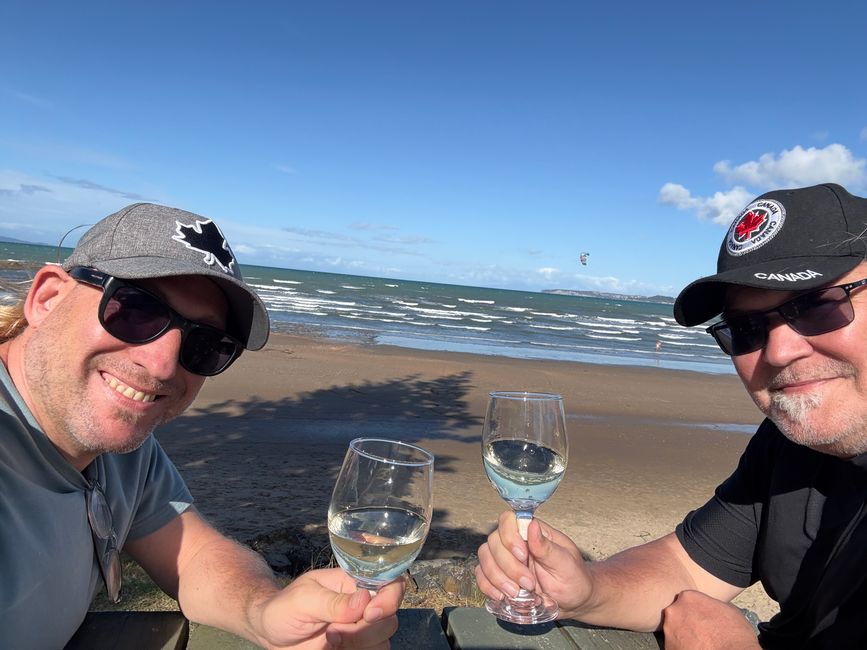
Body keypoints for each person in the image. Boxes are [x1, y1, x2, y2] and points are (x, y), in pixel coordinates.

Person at [475, 183, 867, 649]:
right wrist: (585, 590)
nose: (778, 352)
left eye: (817, 306)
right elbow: (688, 566)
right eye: (745, 329)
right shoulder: (788, 445)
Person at [0, 203, 404, 649]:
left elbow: (194, 555)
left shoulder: (127, 456)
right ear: (47, 298)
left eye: (206, 344)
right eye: (135, 310)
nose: (162, 364)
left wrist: (263, 611)